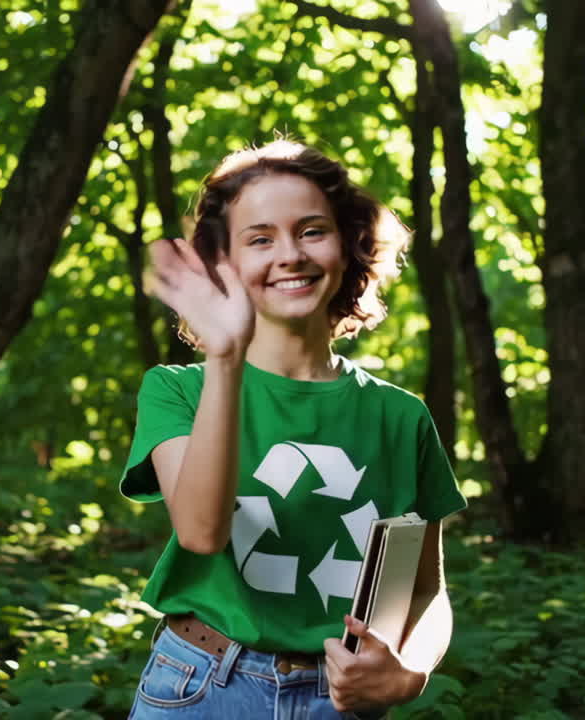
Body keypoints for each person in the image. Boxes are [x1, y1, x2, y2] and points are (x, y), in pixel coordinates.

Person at [119, 139, 467, 719]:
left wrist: (410, 672)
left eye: (312, 231)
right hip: (200, 689)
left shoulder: (401, 418)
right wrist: (227, 359)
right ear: (222, 264)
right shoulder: (177, 390)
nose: (290, 254)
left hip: (340, 699)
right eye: (259, 239)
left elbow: (425, 591)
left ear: (350, 245)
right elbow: (201, 532)